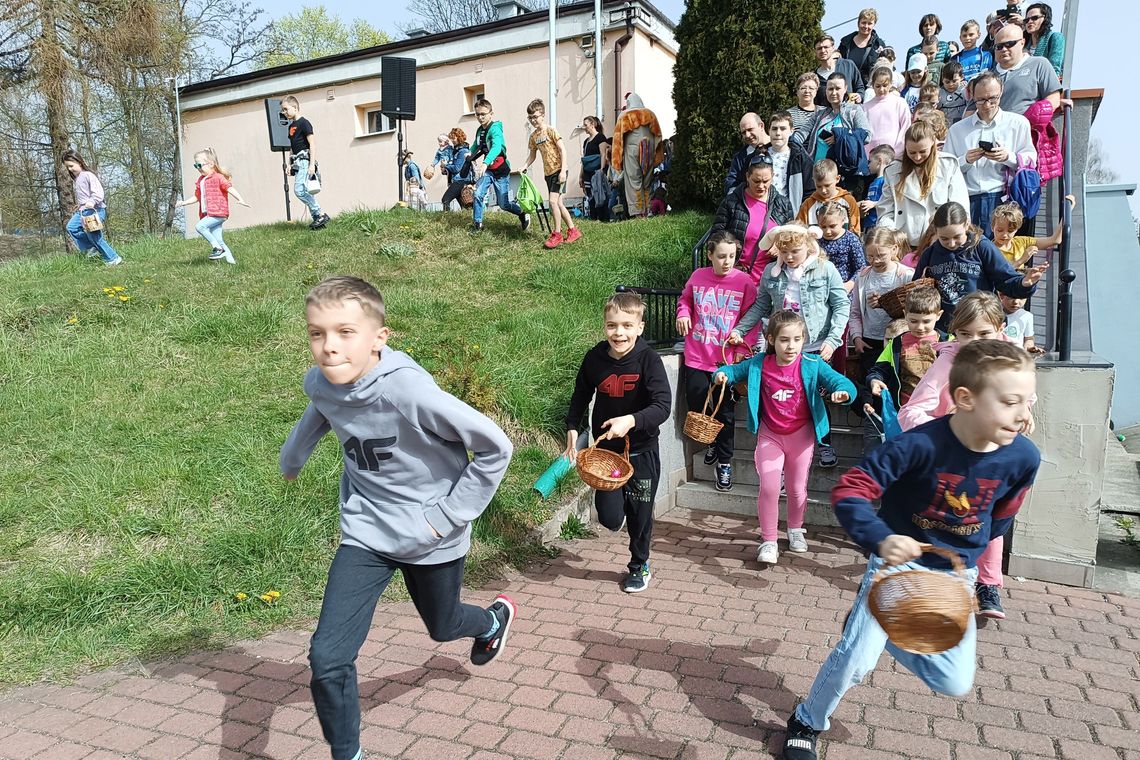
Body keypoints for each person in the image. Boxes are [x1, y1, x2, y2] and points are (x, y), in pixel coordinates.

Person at [280, 276, 517, 760]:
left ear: (379, 338)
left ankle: (490, 621)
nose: (328, 347)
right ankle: (348, 753)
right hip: (366, 530)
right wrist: (293, 457)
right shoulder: (321, 381)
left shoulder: (407, 391)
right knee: (327, 657)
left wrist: (445, 517)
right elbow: (323, 409)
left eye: (345, 332)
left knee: (443, 625)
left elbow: (496, 447)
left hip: (431, 534)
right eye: (317, 333)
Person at [781, 339, 1041, 760]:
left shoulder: (1024, 457)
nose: (1023, 414)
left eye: (1027, 401)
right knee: (855, 662)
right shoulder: (917, 445)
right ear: (965, 399)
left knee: (953, 682)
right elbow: (850, 490)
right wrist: (881, 538)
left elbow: (1004, 514)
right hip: (894, 567)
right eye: (1010, 402)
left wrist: (972, 558)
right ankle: (807, 720)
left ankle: (883, 629)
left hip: (955, 575)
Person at [897, 292, 1034, 619]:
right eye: (965, 334)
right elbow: (911, 412)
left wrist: (1023, 412)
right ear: (954, 332)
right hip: (952, 460)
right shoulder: (948, 362)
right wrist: (947, 431)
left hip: (994, 455)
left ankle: (988, 585)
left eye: (984, 333)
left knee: (990, 517)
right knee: (946, 520)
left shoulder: (1013, 361)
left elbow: (1025, 399)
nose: (974, 342)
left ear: (1001, 329)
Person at [715, 310, 855, 565]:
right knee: (769, 487)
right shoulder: (759, 363)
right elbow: (733, 371)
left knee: (796, 489)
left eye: (797, 339)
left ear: (804, 340)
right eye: (784, 340)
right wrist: (722, 374)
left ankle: (795, 529)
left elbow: (841, 383)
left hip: (801, 436)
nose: (791, 346)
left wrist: (843, 393)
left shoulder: (812, 364)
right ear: (771, 339)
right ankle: (769, 540)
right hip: (770, 435)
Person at [564, 292, 671, 592]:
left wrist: (631, 420)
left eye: (627, 325)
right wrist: (572, 426)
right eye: (612, 325)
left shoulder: (649, 360)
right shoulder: (594, 358)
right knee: (610, 518)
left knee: (641, 514)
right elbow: (580, 396)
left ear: (640, 327)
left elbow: (662, 405)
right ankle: (619, 514)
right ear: (604, 326)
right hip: (607, 455)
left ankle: (639, 565)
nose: (619, 333)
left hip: (641, 452)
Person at [730, 224, 850, 468]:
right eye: (784, 252)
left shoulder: (825, 269)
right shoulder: (771, 273)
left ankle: (824, 444)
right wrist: (739, 330)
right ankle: (780, 452)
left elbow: (841, 305)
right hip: (782, 344)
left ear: (809, 246)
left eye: (795, 251)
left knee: (814, 396)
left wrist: (833, 339)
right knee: (781, 396)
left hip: (815, 345)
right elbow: (761, 305)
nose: (790, 257)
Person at [677, 231, 758, 492]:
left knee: (725, 413)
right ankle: (710, 441)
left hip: (726, 360)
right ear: (710, 254)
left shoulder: (744, 282)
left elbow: (753, 317)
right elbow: (685, 300)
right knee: (696, 403)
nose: (727, 261)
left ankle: (724, 463)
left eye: (732, 256)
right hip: (697, 355)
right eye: (721, 256)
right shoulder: (698, 276)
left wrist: (742, 348)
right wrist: (682, 313)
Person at [913, 201, 1046, 330]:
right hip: (946, 327)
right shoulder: (930, 254)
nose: (951, 243)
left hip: (982, 323)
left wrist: (1025, 283)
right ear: (936, 231)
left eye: (957, 237)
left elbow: (1005, 279)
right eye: (944, 239)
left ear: (966, 225)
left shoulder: (981, 246)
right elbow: (918, 291)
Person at [945, 70, 1037, 238]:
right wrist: (966, 160)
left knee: (1001, 250)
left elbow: (1031, 160)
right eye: (981, 100)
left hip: (1004, 197)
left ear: (1001, 92)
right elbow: (945, 168)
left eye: (993, 99)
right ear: (972, 96)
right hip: (968, 198)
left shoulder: (1017, 123)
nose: (987, 105)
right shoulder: (957, 130)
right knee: (970, 249)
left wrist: (1008, 157)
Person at [863, 285, 945, 452]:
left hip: (937, 414)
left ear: (939, 315)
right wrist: (874, 380)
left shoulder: (947, 342)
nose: (920, 327)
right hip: (905, 413)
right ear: (905, 314)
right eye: (913, 321)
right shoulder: (896, 344)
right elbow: (878, 369)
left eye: (926, 321)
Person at [875, 120, 969, 249]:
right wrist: (892, 235)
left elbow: (959, 207)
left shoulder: (948, 165)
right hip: (904, 243)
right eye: (912, 152)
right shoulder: (893, 170)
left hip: (940, 242)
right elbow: (885, 210)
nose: (918, 157)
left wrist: (947, 236)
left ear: (933, 144)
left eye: (923, 151)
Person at [711, 157, 795, 282]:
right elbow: (716, 235)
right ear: (747, 177)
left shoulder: (783, 204)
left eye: (766, 181)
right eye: (756, 181)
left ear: (773, 177)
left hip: (771, 277)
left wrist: (780, 246)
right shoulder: (731, 202)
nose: (761, 186)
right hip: (736, 275)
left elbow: (793, 237)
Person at [850, 227, 915, 379]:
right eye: (870, 256)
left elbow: (913, 309)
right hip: (870, 341)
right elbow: (855, 312)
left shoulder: (906, 275)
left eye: (881, 255)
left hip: (899, 339)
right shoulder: (863, 277)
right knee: (871, 381)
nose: (875, 261)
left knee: (895, 381)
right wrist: (857, 337)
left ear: (894, 249)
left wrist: (885, 303)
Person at [176, 147, 249, 265]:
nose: (198, 168)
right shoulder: (201, 180)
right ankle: (232, 262)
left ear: (211, 164)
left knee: (200, 226)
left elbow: (229, 188)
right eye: (196, 166)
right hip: (209, 214)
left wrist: (240, 199)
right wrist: (183, 203)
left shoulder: (218, 177)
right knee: (219, 239)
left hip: (218, 212)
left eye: (199, 165)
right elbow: (197, 197)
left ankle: (217, 249)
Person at [523, 98, 581, 249]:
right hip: (548, 173)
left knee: (553, 202)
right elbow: (532, 156)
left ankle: (557, 234)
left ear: (542, 115)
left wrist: (563, 170)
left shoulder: (550, 130)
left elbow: (562, 150)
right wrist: (524, 166)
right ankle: (573, 231)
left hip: (559, 171)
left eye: (535, 117)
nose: (533, 120)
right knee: (559, 203)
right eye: (530, 118)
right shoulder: (533, 137)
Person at [467, 98, 530, 235]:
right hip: (488, 171)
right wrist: (469, 153)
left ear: (491, 114)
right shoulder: (480, 130)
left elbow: (496, 147)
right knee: (478, 193)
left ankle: (522, 213)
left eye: (483, 114)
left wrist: (485, 162)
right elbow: (476, 145)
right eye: (477, 114)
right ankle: (478, 224)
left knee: (503, 204)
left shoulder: (495, 129)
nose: (480, 117)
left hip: (501, 171)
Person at [808, 73, 871, 198]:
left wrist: (840, 137)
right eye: (830, 89)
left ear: (845, 88)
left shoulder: (854, 110)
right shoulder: (820, 114)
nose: (834, 92)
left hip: (845, 175)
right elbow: (805, 131)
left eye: (838, 88)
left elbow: (867, 135)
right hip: (819, 174)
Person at [61, 149, 122, 266]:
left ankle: (113, 258)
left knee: (94, 237)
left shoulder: (88, 175)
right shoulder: (77, 179)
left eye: (71, 166)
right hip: (83, 211)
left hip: (95, 211)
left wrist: (92, 202)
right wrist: (80, 204)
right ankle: (90, 247)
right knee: (71, 227)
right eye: (67, 167)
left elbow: (98, 193)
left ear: (79, 162)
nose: (70, 169)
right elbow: (85, 195)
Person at [990, 22, 1062, 117]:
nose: (1004, 49)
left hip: (1029, 124)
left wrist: (1037, 116)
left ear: (1022, 43)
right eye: (999, 46)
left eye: (1009, 44)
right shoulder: (988, 77)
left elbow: (1053, 98)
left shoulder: (1039, 64)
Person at [280, 95, 330, 230]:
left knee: (299, 191)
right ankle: (318, 220)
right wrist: (290, 164)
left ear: (295, 108)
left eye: (286, 109)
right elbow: (292, 147)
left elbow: (312, 144)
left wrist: (311, 164)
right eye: (283, 110)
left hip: (304, 161)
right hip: (297, 161)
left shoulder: (304, 123)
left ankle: (320, 213)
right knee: (303, 190)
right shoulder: (291, 127)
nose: (284, 112)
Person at [611, 92, 664, 217]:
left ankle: (638, 212)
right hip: (649, 149)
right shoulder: (650, 114)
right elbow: (658, 135)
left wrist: (617, 160)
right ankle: (647, 209)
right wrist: (657, 155)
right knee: (647, 182)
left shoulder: (624, 116)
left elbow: (618, 139)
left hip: (632, 150)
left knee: (634, 182)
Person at [763, 111, 815, 212]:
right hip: (762, 211)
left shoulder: (800, 158)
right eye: (774, 129)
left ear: (791, 131)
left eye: (783, 129)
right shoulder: (759, 155)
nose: (778, 133)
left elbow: (810, 191)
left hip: (790, 213)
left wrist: (801, 214)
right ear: (768, 131)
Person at [798, 159, 861, 234]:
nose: (823, 190)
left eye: (827, 185)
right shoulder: (808, 204)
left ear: (837, 179)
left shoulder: (848, 200)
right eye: (819, 186)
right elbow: (799, 230)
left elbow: (855, 229)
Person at [862, 67, 911, 160]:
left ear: (891, 84)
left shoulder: (900, 103)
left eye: (885, 85)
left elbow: (906, 128)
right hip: (871, 157)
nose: (881, 89)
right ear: (872, 85)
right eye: (878, 86)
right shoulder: (865, 107)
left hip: (895, 156)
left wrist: (898, 152)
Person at [839, 8, 889, 83]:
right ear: (858, 23)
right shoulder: (845, 42)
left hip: (869, 86)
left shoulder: (879, 45)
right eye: (863, 22)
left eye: (869, 23)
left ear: (874, 25)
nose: (866, 26)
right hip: (847, 85)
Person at [725, 112, 770, 195]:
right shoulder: (740, 157)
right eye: (743, 132)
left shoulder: (779, 148)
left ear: (761, 126)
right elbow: (731, 182)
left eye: (750, 129)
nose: (747, 135)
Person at [813, 35, 864, 105]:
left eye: (826, 47)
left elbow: (860, 87)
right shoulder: (815, 77)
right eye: (819, 48)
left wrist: (859, 96)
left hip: (850, 110)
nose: (823, 50)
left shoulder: (848, 65)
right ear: (815, 51)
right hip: (826, 112)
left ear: (833, 48)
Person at [580, 115, 611, 221]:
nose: (584, 127)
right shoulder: (586, 142)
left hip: (597, 171)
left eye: (586, 125)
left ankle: (603, 219)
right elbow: (584, 159)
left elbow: (603, 154)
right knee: (590, 195)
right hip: (587, 172)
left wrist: (601, 169)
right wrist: (581, 176)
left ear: (592, 124)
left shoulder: (600, 137)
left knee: (600, 193)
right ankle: (593, 218)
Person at [857, 144, 895, 228]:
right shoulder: (873, 182)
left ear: (879, 160)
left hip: (880, 225)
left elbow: (891, 201)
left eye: (870, 161)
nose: (868, 165)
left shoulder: (886, 181)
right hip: (869, 225)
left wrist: (874, 204)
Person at [1024, 3, 1064, 78]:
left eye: (1034, 18)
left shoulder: (1055, 37)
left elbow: (1054, 69)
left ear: (1045, 19)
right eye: (1026, 20)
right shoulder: (1023, 44)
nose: (1029, 21)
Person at [439, 128, 475, 211]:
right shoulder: (456, 151)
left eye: (454, 138)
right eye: (451, 138)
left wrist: (446, 165)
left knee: (445, 200)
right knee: (465, 206)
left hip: (460, 181)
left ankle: (446, 217)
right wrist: (445, 170)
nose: (452, 140)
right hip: (458, 181)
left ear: (459, 137)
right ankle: (471, 217)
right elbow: (454, 168)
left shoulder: (463, 151)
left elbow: (457, 168)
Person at [789, 74, 822, 148]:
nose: (807, 91)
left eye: (811, 88)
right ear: (797, 91)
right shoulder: (788, 114)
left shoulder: (825, 112)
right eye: (803, 88)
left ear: (816, 91)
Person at [937, 61, 969, 125]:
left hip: (962, 124)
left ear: (962, 77)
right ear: (942, 79)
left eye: (954, 81)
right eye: (947, 82)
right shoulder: (938, 93)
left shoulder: (965, 90)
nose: (951, 84)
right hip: (945, 126)